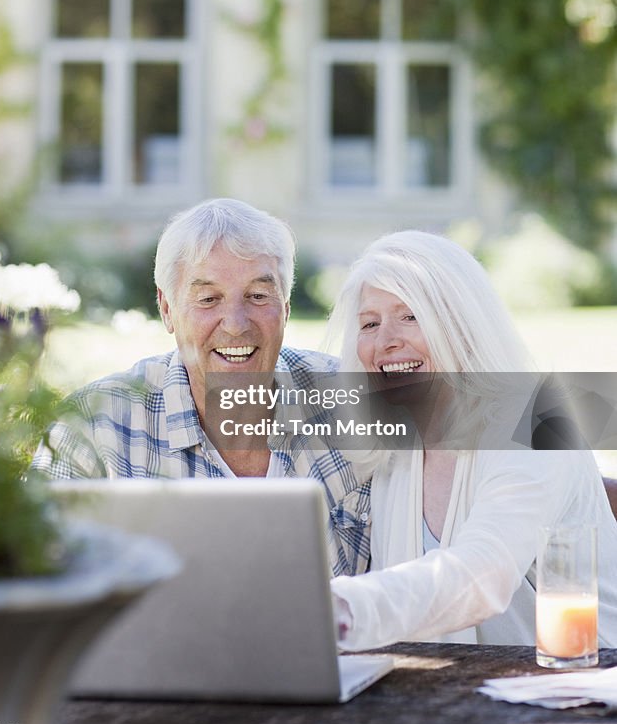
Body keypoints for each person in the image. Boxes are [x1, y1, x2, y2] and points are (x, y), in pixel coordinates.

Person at [32, 198, 372, 577]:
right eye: (209, 299)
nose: (235, 324)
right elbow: (32, 576)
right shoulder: (93, 425)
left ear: (287, 307)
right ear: (166, 309)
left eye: (258, 296)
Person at [329, 230, 617, 648]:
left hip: (583, 691)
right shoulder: (397, 452)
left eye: (410, 315)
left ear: (461, 325)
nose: (385, 340)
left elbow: (485, 573)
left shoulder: (541, 418)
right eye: (369, 323)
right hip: (458, 697)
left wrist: (338, 606)